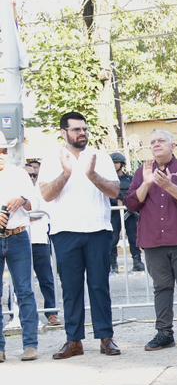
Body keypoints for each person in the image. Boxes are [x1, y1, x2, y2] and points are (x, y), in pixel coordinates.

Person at [38, 112, 121, 359]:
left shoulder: (100, 157)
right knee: (71, 289)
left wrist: (92, 174)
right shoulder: (51, 159)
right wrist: (65, 174)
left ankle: (106, 338)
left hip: (98, 231)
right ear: (63, 132)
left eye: (84, 129)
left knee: (99, 286)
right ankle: (74, 341)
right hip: (65, 232)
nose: (82, 133)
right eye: (76, 129)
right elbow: (46, 194)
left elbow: (114, 191)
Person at [124, 129, 177, 351]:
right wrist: (146, 183)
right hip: (153, 239)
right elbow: (131, 204)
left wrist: (169, 186)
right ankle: (164, 333)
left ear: (173, 146)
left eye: (161, 141)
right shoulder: (142, 171)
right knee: (161, 287)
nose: (156, 144)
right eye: (153, 141)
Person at [0, 135, 40, 362]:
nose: (1, 155)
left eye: (3, 150)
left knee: (24, 291)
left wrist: (22, 200)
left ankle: (30, 344)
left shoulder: (19, 173)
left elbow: (34, 204)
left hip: (18, 235)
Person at [24, 159, 59, 327]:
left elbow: (41, 211)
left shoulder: (40, 188)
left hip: (39, 239)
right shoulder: (17, 187)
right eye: (28, 175)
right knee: (19, 281)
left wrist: (25, 215)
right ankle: (17, 314)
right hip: (20, 239)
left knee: (46, 278)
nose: (32, 177)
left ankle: (51, 312)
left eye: (34, 174)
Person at [109, 152, 143, 273]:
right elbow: (107, 194)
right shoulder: (108, 180)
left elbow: (135, 193)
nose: (114, 165)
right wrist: (116, 200)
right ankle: (113, 264)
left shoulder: (130, 179)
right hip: (114, 213)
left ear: (122, 164)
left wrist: (126, 201)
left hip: (130, 213)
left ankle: (137, 261)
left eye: (116, 162)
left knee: (133, 237)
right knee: (113, 239)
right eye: (112, 163)